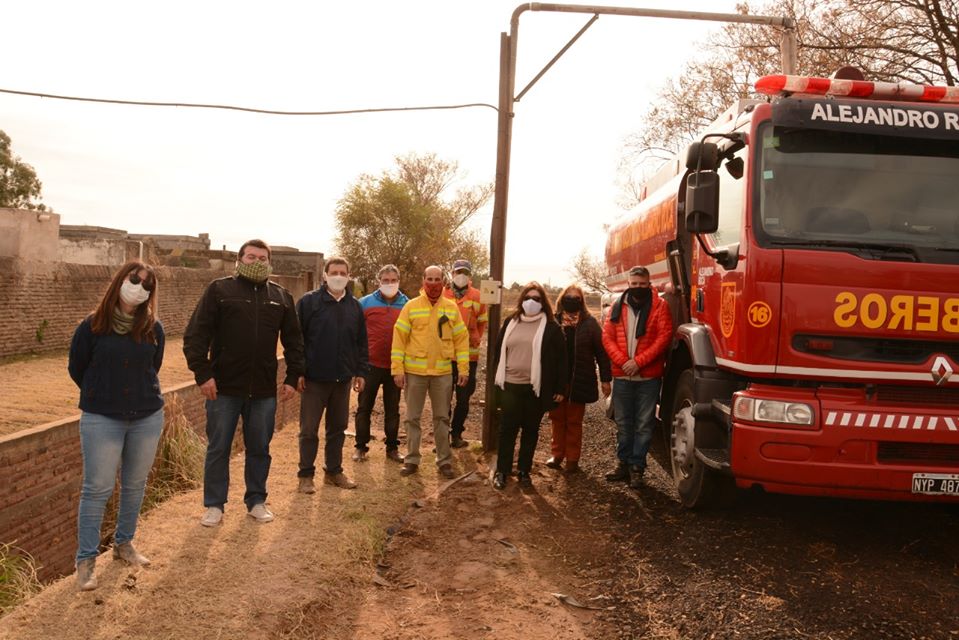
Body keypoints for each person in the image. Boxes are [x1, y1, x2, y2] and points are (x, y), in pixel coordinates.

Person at [183, 239, 305, 526]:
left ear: (270, 262)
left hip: (263, 389)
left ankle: (256, 500)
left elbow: (294, 342)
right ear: (239, 260)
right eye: (251, 257)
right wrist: (203, 375)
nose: (257, 262)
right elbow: (195, 336)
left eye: (263, 258)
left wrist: (291, 377)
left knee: (260, 448)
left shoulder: (281, 296)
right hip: (223, 387)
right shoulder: (219, 290)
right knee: (218, 448)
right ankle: (214, 505)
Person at [68, 261, 164, 591]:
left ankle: (124, 544)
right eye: (134, 280)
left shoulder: (153, 328)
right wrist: (102, 393)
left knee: (135, 484)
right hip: (102, 418)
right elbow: (77, 368)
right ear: (120, 280)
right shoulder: (91, 326)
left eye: (146, 285)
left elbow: (154, 366)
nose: (139, 287)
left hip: (146, 417)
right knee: (97, 489)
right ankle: (86, 561)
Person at [296, 257, 369, 492]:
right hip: (314, 380)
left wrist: (360, 371)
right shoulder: (309, 302)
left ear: (349, 276)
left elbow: (361, 342)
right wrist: (298, 371)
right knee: (309, 430)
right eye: (334, 272)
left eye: (343, 272)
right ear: (325, 275)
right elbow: (296, 340)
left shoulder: (355, 306)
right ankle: (306, 475)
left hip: (342, 380)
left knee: (338, 428)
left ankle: (334, 472)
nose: (338, 276)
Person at [391, 265, 470, 479]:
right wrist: (397, 369)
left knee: (442, 418)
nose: (433, 284)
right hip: (414, 372)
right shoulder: (411, 307)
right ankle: (412, 460)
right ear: (423, 280)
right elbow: (399, 340)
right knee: (412, 418)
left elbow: (462, 341)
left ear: (443, 282)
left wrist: (464, 368)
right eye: (429, 279)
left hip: (442, 373)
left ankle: (444, 461)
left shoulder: (451, 308)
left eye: (437, 279)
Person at [601, 266, 672, 489]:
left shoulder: (660, 306)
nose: (637, 288)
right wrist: (623, 362)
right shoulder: (617, 307)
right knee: (623, 423)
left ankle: (637, 467)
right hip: (622, 376)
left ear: (648, 283)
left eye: (642, 285)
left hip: (648, 378)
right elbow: (607, 337)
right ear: (628, 284)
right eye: (634, 285)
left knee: (644, 425)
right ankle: (622, 463)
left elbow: (664, 337)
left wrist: (638, 362)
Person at [492, 282, 567, 490]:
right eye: (527, 298)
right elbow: (498, 354)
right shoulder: (510, 322)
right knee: (507, 430)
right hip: (510, 386)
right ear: (521, 300)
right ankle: (502, 471)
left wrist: (560, 388)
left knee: (530, 430)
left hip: (535, 389)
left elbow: (562, 360)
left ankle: (524, 471)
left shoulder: (552, 328)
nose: (531, 302)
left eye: (536, 298)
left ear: (543, 302)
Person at [546, 284, 612, 473]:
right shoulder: (554, 321)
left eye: (576, 298)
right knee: (556, 419)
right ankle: (557, 454)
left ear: (581, 301)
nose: (572, 300)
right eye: (568, 297)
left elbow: (601, 353)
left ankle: (572, 459)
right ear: (561, 299)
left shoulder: (590, 323)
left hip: (579, 379)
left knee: (574, 421)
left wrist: (606, 379)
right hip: (556, 381)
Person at [354, 264, 409, 463]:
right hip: (369, 365)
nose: (389, 284)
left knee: (392, 410)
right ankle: (360, 447)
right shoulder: (364, 303)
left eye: (393, 280)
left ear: (398, 281)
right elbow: (356, 334)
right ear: (379, 281)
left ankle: (392, 448)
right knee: (364, 408)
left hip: (395, 367)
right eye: (385, 280)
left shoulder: (407, 305)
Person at [443, 259, 488, 448]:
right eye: (458, 271)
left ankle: (457, 434)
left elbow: (482, 323)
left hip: (468, 358)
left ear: (470, 275)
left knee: (463, 399)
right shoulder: (442, 294)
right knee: (443, 399)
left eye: (465, 272)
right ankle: (442, 436)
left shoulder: (478, 296)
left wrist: (473, 337)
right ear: (452, 273)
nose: (461, 275)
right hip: (445, 357)